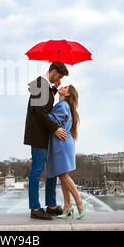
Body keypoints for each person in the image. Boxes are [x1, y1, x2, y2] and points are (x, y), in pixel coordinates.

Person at [24, 61, 69, 220]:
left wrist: (56, 88)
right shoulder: (40, 84)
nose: (60, 78)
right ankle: (35, 208)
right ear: (54, 71)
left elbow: (46, 106)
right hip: (38, 134)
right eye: (60, 75)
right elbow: (39, 111)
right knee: (37, 170)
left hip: (44, 134)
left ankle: (50, 205)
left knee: (51, 171)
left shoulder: (45, 86)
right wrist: (56, 128)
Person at [46, 85, 88, 219]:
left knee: (63, 176)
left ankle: (80, 203)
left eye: (65, 87)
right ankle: (67, 205)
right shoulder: (65, 106)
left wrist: (42, 112)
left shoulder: (62, 105)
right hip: (64, 143)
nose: (62, 86)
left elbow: (52, 121)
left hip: (61, 144)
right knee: (62, 175)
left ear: (68, 94)